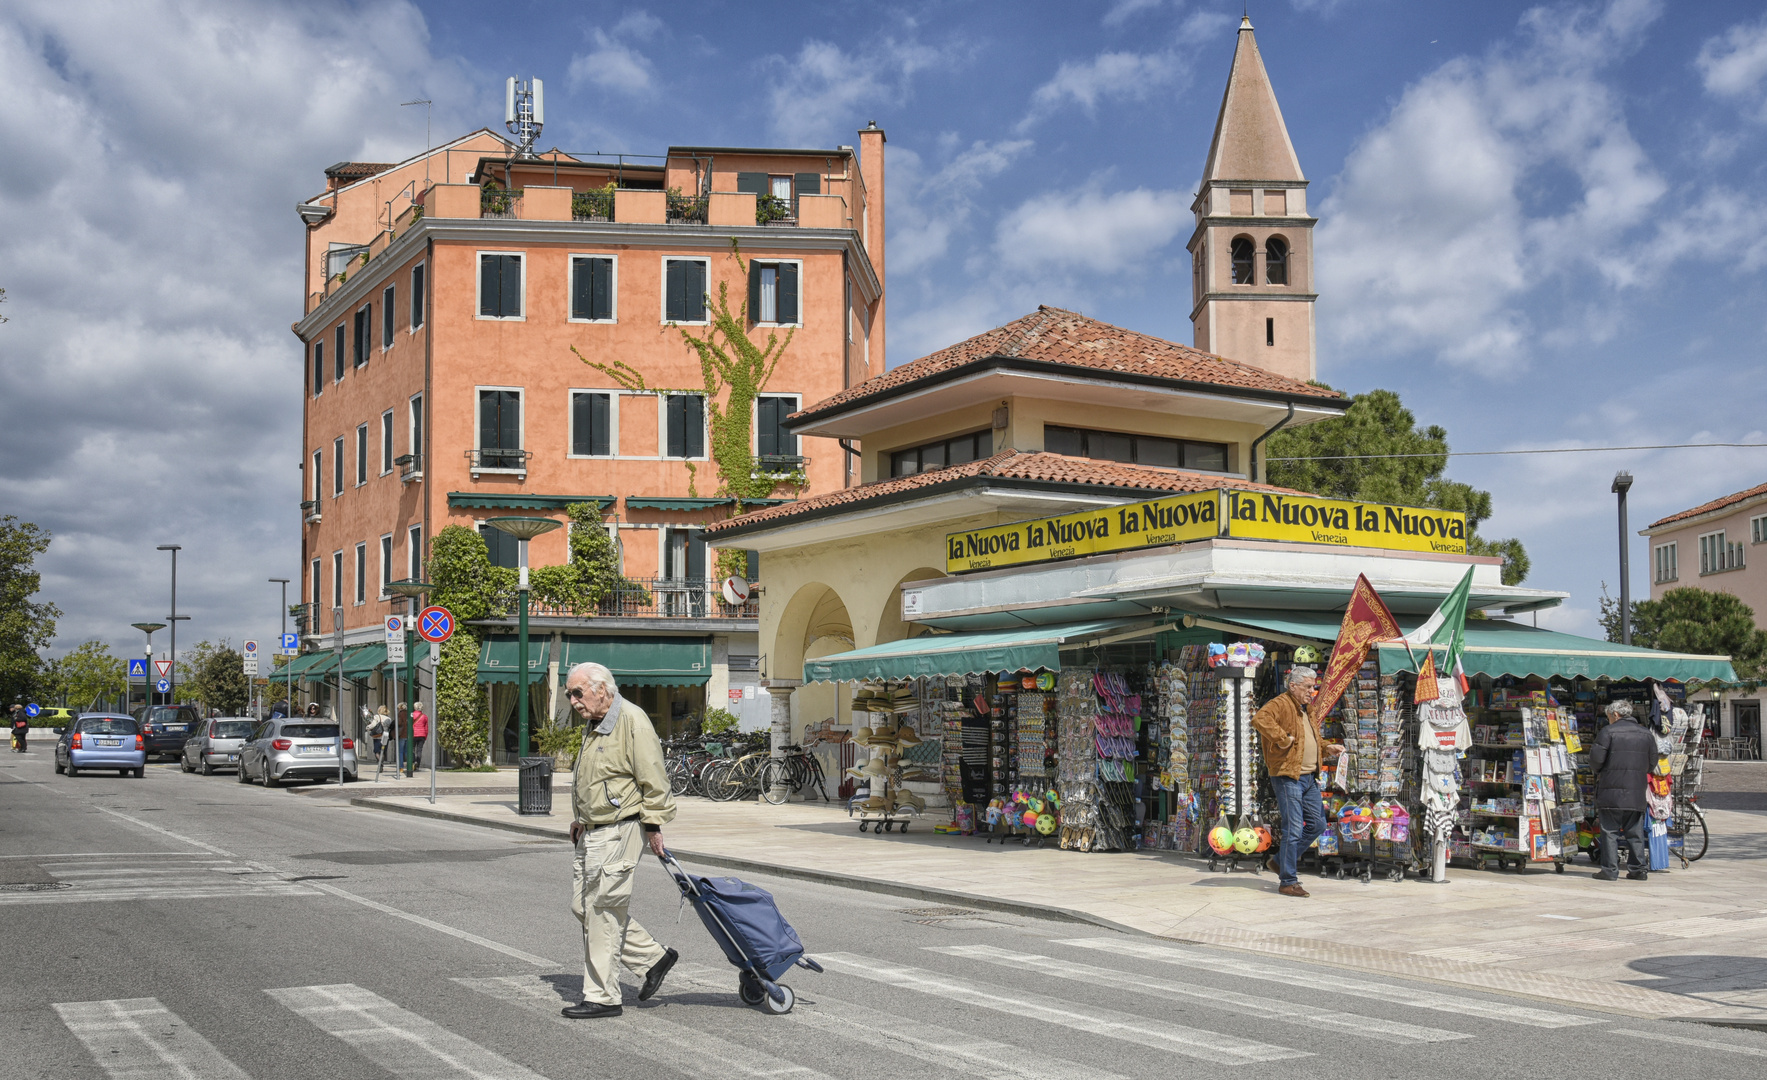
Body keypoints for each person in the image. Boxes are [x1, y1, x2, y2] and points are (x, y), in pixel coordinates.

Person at [560, 661, 678, 1019]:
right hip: (593, 829)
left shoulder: (631, 720)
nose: (573, 701)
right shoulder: (596, 723)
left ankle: (603, 997)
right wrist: (581, 818)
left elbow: (654, 779)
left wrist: (654, 825)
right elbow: (598, 776)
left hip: (619, 829)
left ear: (602, 689)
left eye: (577, 693)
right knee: (584, 908)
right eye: (569, 695)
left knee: (603, 912)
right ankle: (653, 958)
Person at [1249, 665, 1345, 898]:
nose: (1312, 691)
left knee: (1318, 824)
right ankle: (1288, 881)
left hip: (1309, 777)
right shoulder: (1281, 703)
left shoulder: (1307, 710)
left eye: (1314, 686)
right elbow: (1260, 718)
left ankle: (1281, 861)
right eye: (1308, 687)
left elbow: (1311, 739)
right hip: (1288, 775)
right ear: (1293, 686)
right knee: (1293, 827)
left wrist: (1326, 747)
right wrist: (1282, 739)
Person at [1591, 700, 1654, 881]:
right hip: (1636, 791)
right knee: (1635, 832)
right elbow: (1652, 763)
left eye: (1609, 716)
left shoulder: (1608, 732)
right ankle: (1638, 869)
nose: (1609, 719)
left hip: (1611, 791)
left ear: (1616, 715)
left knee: (1609, 831)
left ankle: (1610, 870)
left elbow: (1596, 761)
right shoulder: (1646, 734)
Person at [406, 703, 429, 777]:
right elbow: (426, 728)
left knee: (412, 749)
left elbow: (408, 724)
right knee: (419, 750)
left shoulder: (412, 715)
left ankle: (412, 762)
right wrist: (425, 736)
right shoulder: (424, 716)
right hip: (422, 735)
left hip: (413, 734)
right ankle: (417, 764)